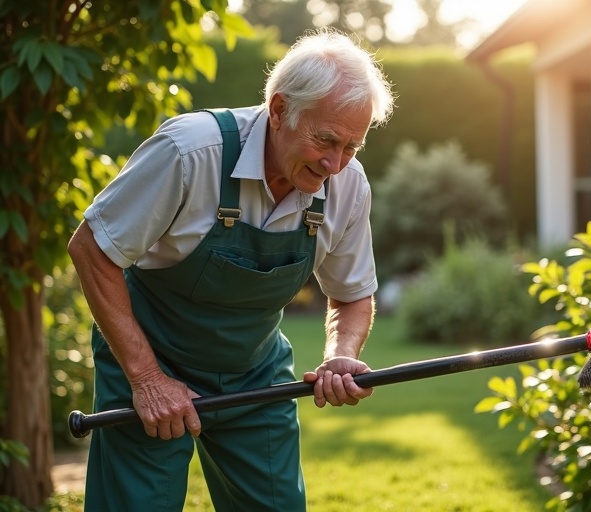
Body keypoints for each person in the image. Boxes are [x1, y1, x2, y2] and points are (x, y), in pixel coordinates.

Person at [67, 28, 394, 511]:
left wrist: (340, 353)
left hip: (255, 377)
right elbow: (93, 249)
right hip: (150, 363)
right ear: (280, 110)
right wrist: (147, 378)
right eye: (326, 139)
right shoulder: (190, 152)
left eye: (352, 146)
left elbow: (351, 293)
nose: (335, 164)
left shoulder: (347, 187)